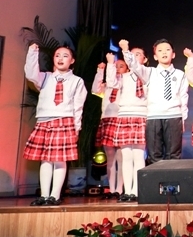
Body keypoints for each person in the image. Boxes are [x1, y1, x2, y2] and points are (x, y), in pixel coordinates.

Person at [24, 43, 87, 206]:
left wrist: (76, 127)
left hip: (64, 120)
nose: (60, 58)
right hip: (44, 120)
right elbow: (30, 73)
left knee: (59, 160)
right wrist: (32, 52)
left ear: (72, 60)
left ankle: (55, 195)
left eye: (65, 56)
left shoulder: (77, 81)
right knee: (45, 160)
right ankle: (44, 195)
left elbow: (78, 106)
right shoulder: (45, 77)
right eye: (57, 55)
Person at [122, 38, 188, 165]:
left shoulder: (180, 74)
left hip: (174, 116)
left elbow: (183, 98)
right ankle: (156, 178)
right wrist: (126, 51)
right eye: (160, 51)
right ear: (155, 56)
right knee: (154, 155)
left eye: (167, 50)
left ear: (173, 54)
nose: (164, 53)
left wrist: (183, 119)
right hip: (154, 117)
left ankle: (172, 178)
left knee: (174, 155)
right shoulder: (149, 72)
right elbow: (134, 65)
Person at [107, 46, 149, 202]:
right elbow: (111, 82)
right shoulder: (123, 77)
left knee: (138, 155)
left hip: (141, 115)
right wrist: (110, 64)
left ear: (144, 59)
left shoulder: (148, 74)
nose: (134, 57)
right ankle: (127, 191)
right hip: (124, 115)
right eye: (131, 54)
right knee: (126, 155)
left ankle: (137, 190)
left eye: (138, 54)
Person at [91, 54, 125, 198]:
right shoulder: (107, 85)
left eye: (121, 66)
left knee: (121, 158)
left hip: (121, 120)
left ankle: (120, 189)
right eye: (115, 66)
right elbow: (95, 89)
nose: (117, 69)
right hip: (107, 120)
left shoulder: (126, 84)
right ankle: (111, 189)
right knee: (110, 158)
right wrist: (100, 71)